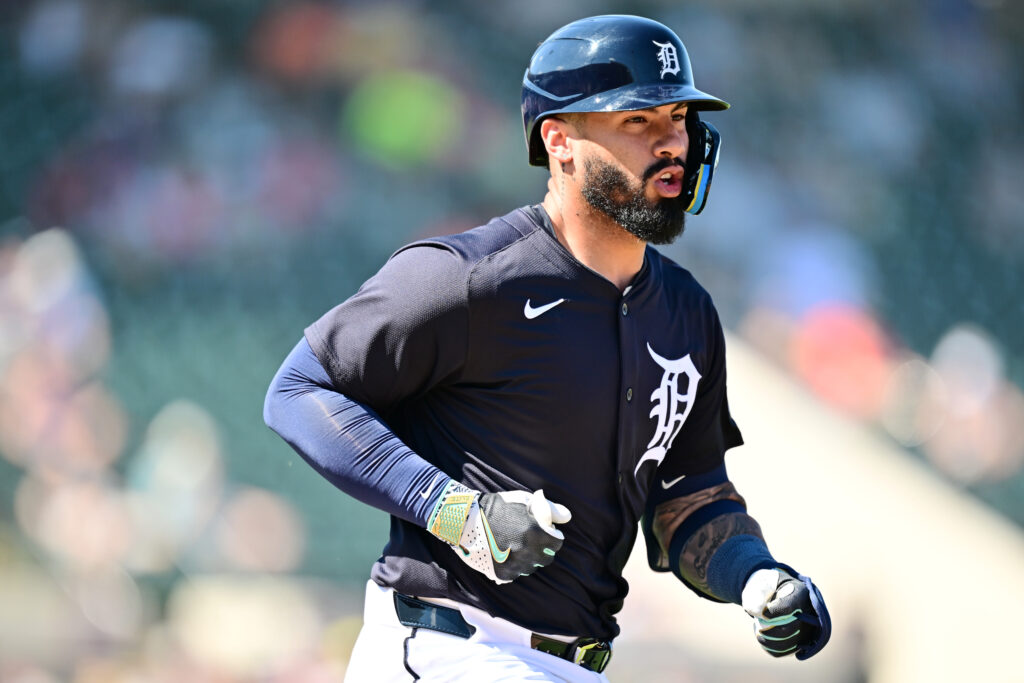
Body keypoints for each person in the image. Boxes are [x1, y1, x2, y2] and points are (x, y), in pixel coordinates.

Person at [264, 14, 830, 682]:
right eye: (637, 122)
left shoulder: (687, 315)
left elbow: (690, 498)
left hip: (580, 664)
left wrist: (756, 576)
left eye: (677, 118)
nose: (672, 143)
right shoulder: (473, 277)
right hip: (454, 647)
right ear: (560, 141)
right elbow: (300, 390)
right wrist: (457, 511)